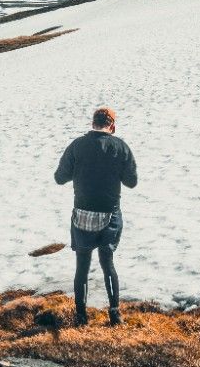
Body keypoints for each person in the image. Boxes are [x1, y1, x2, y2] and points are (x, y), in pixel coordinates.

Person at [54, 106, 138, 327]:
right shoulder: (120, 147)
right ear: (112, 125)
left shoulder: (77, 146)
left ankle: (81, 317)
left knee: (82, 265)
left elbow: (59, 178)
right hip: (110, 214)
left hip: (82, 214)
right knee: (107, 263)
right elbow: (131, 182)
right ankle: (115, 313)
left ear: (92, 123)